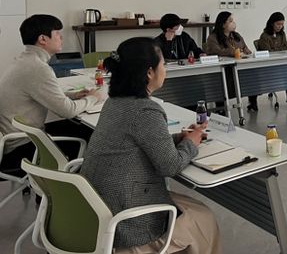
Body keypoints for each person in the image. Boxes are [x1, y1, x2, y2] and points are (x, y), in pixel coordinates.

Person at [80, 37, 221, 254]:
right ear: (149, 72)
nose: (165, 69)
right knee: (204, 218)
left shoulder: (113, 103)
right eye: (163, 64)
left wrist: (180, 138)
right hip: (125, 223)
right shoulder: (146, 111)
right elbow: (170, 166)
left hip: (97, 208)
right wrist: (191, 143)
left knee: (195, 210)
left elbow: (139, 142)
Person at [0, 14, 104, 170]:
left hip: (15, 139)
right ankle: (74, 182)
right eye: (57, 33)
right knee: (92, 134)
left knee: (77, 126)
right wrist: (93, 98)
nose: (61, 37)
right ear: (43, 39)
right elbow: (68, 111)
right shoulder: (38, 68)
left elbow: (39, 93)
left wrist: (73, 95)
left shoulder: (24, 61)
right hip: (22, 148)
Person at [204, 12, 256, 110]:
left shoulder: (237, 36)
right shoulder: (213, 37)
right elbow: (217, 51)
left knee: (252, 75)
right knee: (222, 83)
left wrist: (248, 54)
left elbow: (246, 49)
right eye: (230, 21)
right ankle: (221, 108)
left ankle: (253, 101)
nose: (233, 23)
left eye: (233, 21)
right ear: (223, 24)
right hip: (222, 69)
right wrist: (234, 52)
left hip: (239, 66)